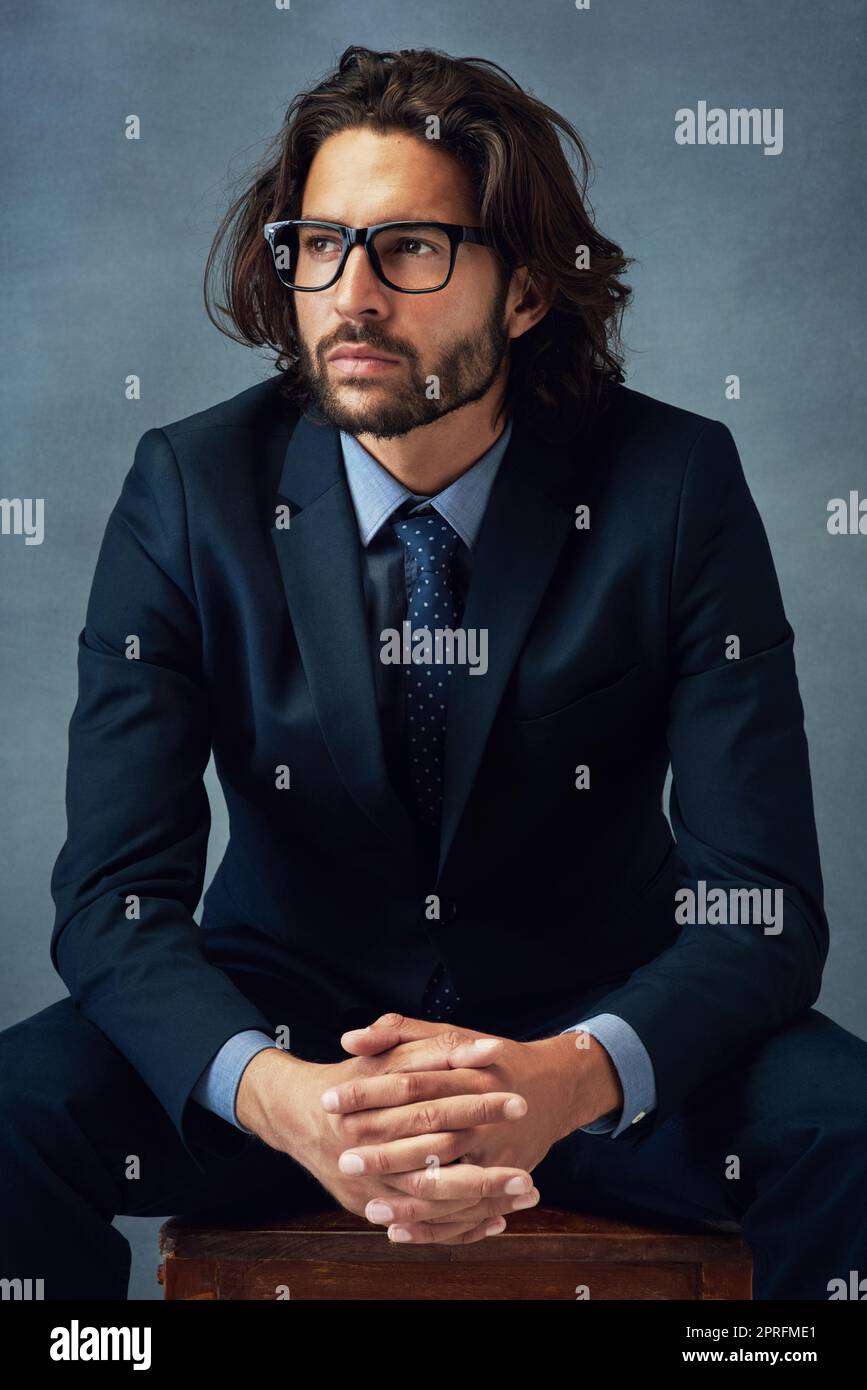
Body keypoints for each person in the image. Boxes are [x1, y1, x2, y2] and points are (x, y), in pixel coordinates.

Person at [2, 45, 865, 1302]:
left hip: (594, 1038)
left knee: (847, 1135)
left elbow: (765, 905)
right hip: (292, 1038)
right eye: (319, 244)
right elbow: (113, 899)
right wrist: (287, 1096)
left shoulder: (676, 487)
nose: (352, 295)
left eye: (411, 248)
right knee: (15, 1119)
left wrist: (565, 1077)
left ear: (523, 292)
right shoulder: (188, 492)